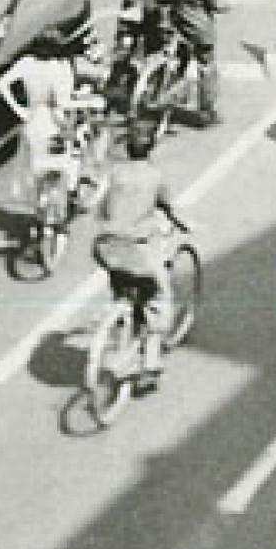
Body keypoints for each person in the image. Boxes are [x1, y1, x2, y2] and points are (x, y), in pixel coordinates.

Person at [92, 124, 185, 381]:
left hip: (106, 246)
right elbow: (168, 206)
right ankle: (152, 357)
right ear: (151, 148)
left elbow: (100, 208)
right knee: (159, 294)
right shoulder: (155, 176)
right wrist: (176, 221)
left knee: (120, 281)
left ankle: (121, 319)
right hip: (136, 249)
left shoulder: (115, 172)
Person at [0, 30, 83, 211]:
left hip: (33, 120)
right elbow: (63, 101)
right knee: (73, 153)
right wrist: (86, 101)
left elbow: (2, 83)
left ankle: (41, 209)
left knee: (38, 167)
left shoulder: (26, 63)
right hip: (54, 122)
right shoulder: (60, 67)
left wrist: (18, 109)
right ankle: (71, 193)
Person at [157, 0, 221, 127]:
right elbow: (212, 2)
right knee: (206, 66)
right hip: (199, 25)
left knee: (178, 60)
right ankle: (206, 110)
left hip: (177, 20)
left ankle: (170, 92)